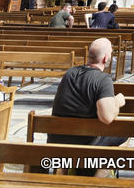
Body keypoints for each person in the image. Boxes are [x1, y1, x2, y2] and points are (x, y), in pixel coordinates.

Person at [48, 37, 126, 177]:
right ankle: (97, 180)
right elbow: (107, 117)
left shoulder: (69, 73)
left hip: (58, 140)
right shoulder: (103, 80)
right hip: (85, 144)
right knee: (123, 134)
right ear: (105, 58)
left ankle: (63, 175)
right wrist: (117, 102)